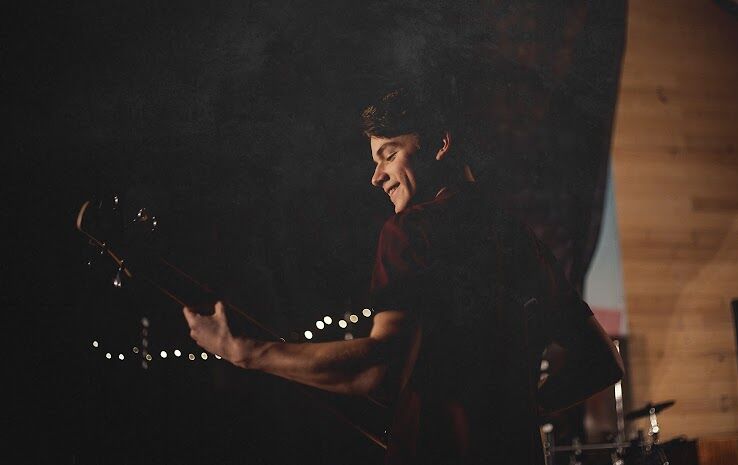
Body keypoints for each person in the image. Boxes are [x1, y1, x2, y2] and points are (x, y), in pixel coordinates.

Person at [182, 86, 624, 464]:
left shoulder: (411, 231)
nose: (376, 177)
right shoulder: (518, 238)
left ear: (441, 143)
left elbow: (381, 369)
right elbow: (601, 361)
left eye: (388, 154)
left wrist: (246, 352)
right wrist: (523, 410)